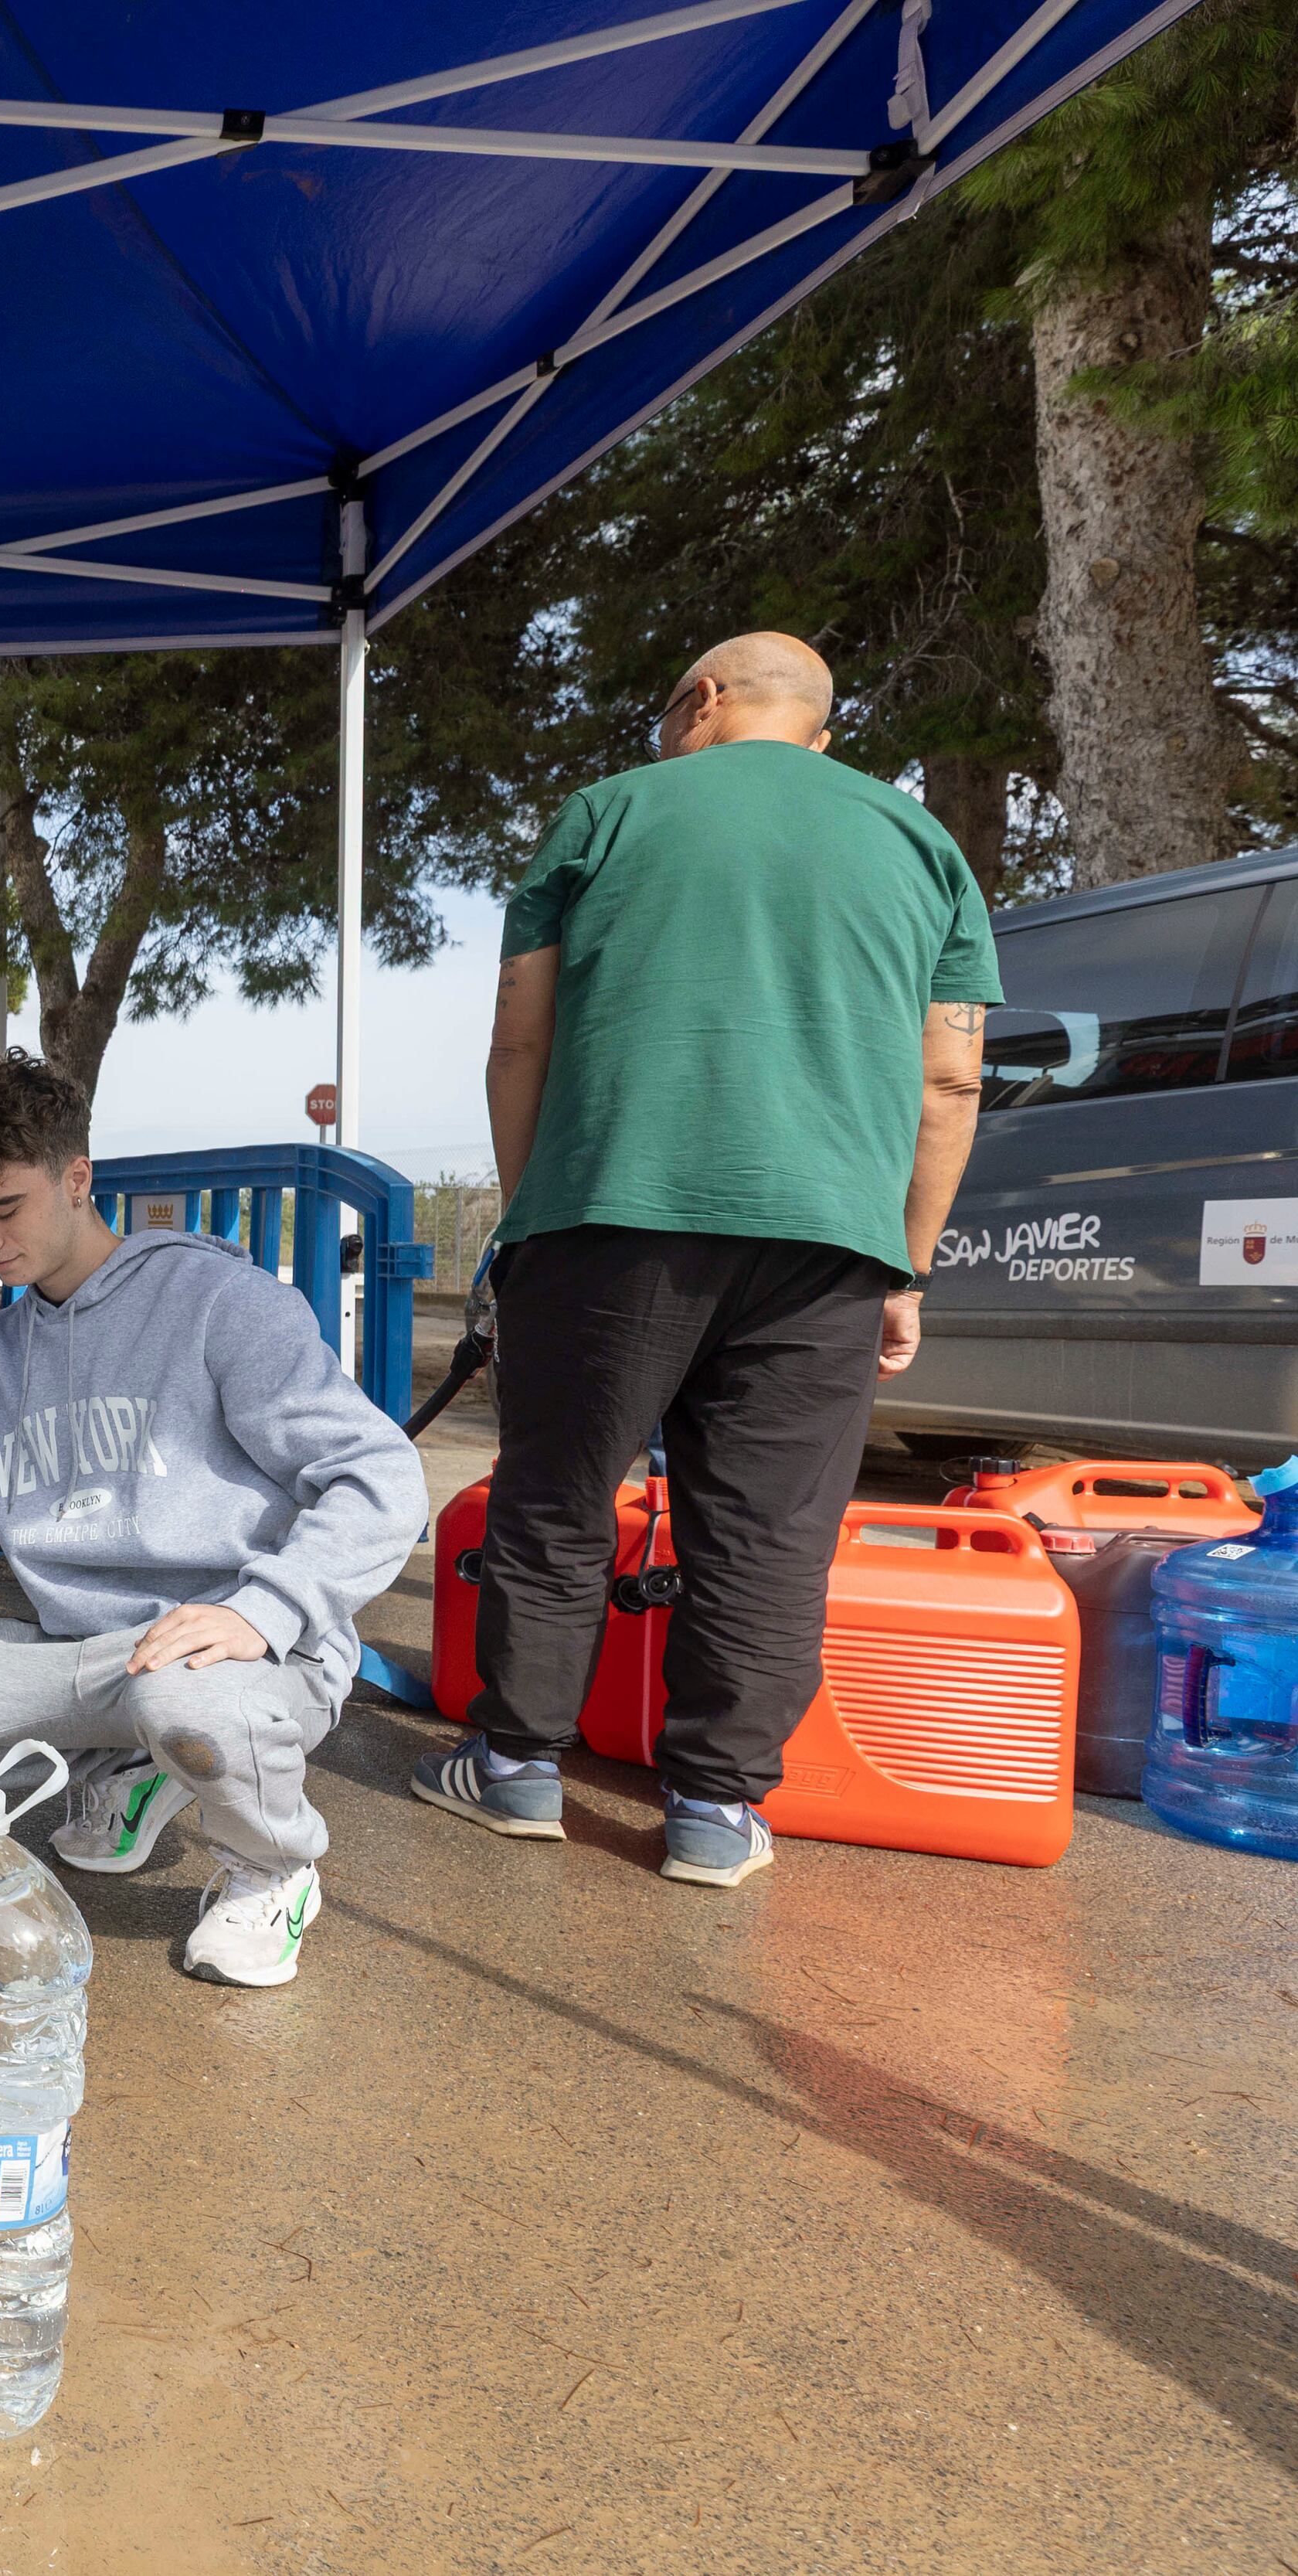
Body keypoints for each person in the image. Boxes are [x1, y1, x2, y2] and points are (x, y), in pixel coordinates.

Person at [416, 632, 996, 1887]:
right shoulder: (923, 846)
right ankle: (716, 1810)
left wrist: (532, 1219)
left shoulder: (604, 815)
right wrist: (906, 1265)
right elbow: (951, 1077)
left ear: (703, 701)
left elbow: (521, 1043)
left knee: (562, 1493)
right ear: (821, 736)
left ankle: (514, 1763)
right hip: (829, 1239)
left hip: (611, 1210)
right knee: (773, 1528)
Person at [0, 1052, 425, 1987]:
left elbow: (380, 1475)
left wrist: (264, 1610)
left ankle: (271, 1872)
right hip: (78, 1654)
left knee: (182, 1703)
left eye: (4, 1209)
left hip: (235, 1651)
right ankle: (126, 1775)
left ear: (75, 1177)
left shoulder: (222, 1305)